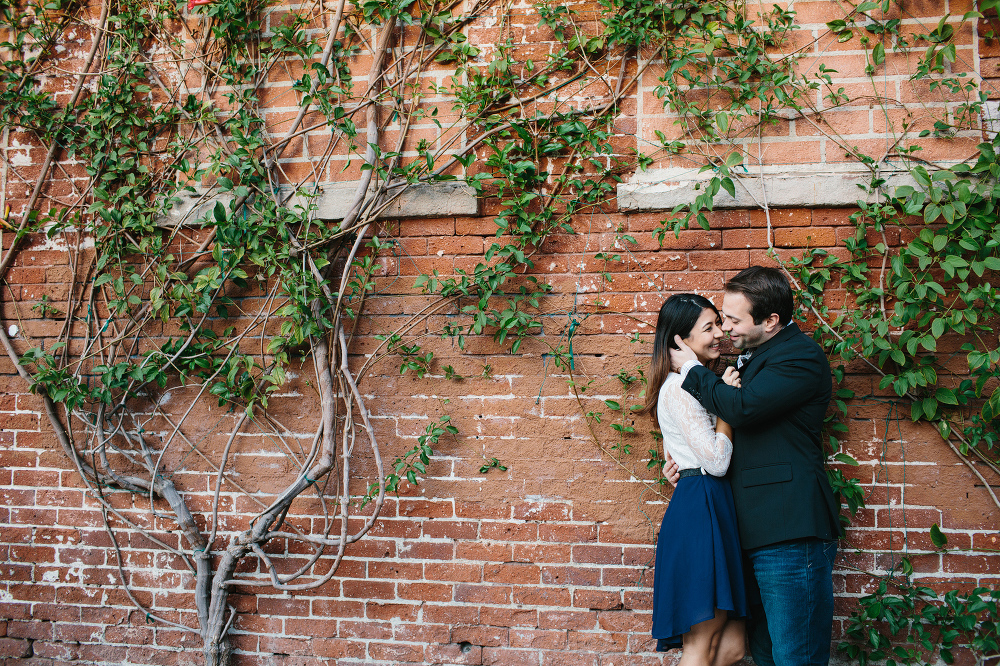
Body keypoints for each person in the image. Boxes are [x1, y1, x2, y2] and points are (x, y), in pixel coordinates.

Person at [666, 266, 840, 666]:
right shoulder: (757, 358)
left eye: (733, 319)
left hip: (789, 532)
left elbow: (742, 409)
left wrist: (692, 370)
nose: (725, 329)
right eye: (723, 318)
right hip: (748, 532)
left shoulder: (800, 358)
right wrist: (681, 463)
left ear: (771, 320)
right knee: (763, 654)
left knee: (796, 656)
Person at [640, 293, 747, 666]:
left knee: (733, 644)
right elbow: (717, 462)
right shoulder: (680, 388)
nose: (720, 333)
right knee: (700, 642)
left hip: (709, 503)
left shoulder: (692, 384)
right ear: (679, 342)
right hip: (701, 508)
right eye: (709, 327)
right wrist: (728, 406)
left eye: (719, 323)